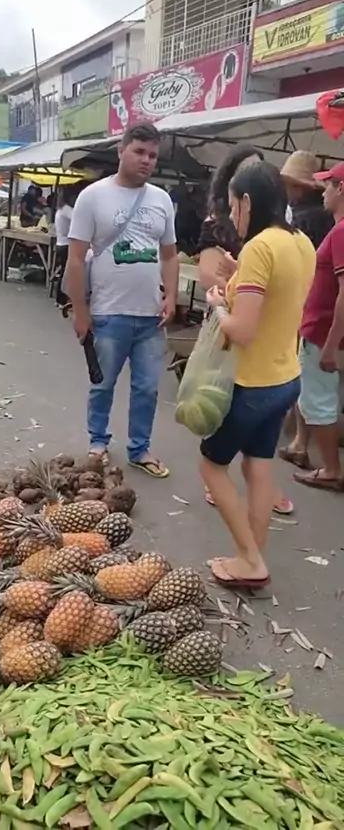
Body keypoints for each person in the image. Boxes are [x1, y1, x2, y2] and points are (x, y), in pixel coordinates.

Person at [200, 162, 315, 588]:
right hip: (286, 378)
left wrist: (218, 305)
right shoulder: (300, 242)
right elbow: (279, 296)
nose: (232, 216)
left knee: (212, 467)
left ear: (247, 201)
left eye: (233, 206)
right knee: (259, 467)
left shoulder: (260, 247)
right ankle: (252, 554)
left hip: (251, 384)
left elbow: (242, 330)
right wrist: (238, 276)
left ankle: (250, 559)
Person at [66, 122, 179, 477]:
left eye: (152, 155)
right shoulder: (93, 197)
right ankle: (98, 443)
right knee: (103, 384)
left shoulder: (161, 200)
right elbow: (75, 259)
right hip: (108, 312)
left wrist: (172, 296)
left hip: (151, 317)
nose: (146, 160)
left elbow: (170, 255)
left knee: (147, 389)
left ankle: (139, 449)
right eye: (139, 152)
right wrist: (80, 312)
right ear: (121, 150)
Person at [197, 144, 294, 515]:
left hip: (265, 327)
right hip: (229, 321)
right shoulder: (218, 222)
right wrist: (241, 287)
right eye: (246, 169)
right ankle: (218, 477)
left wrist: (249, 282)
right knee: (222, 403)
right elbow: (208, 275)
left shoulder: (278, 228)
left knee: (258, 417)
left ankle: (256, 483)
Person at [286, 161, 344, 492]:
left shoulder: (342, 232)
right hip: (324, 331)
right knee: (323, 399)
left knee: (317, 402)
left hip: (322, 333)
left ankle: (332, 470)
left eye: (329, 184)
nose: (323, 191)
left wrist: (331, 343)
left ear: (341, 189)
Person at [278, 151, 334, 472]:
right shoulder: (324, 217)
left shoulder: (303, 219)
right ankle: (299, 439)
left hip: (306, 304)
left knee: (304, 374)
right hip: (318, 306)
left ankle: (302, 443)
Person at [54, 185, 78, 307]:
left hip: (60, 244)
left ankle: (59, 299)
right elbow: (78, 219)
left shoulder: (60, 210)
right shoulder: (66, 210)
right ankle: (62, 299)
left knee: (63, 272)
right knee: (66, 273)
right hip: (66, 245)